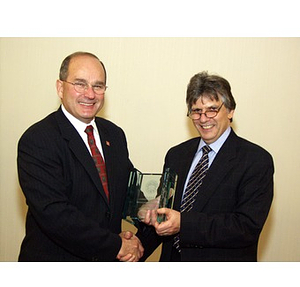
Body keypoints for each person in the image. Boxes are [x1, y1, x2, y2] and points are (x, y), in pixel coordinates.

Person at [17, 51, 143, 261]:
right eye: (80, 84)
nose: (90, 94)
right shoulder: (38, 139)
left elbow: (128, 189)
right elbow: (55, 215)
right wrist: (117, 245)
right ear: (60, 87)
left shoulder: (114, 134)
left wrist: (153, 209)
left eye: (98, 86)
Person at [137, 71, 274, 261]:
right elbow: (164, 217)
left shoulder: (256, 160)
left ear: (231, 110)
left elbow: (246, 227)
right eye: (196, 111)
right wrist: (135, 246)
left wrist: (184, 224)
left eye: (212, 109)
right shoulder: (176, 155)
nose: (203, 119)